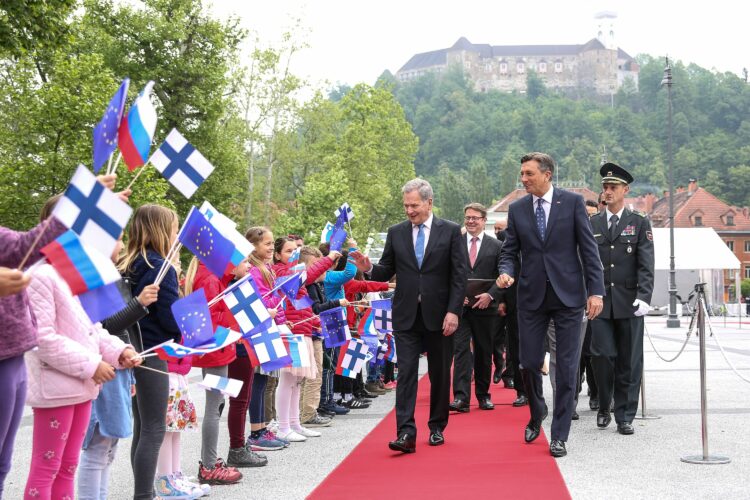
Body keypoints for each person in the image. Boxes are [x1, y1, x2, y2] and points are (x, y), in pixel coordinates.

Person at [23, 196, 140, 499]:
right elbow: (43, 339)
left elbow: (93, 329)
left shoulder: (73, 275)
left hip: (81, 388)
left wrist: (119, 352)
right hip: (57, 388)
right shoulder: (41, 275)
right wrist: (92, 365)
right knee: (46, 468)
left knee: (68, 467)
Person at [496, 152, 604, 458]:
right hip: (531, 297)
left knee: (567, 368)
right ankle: (537, 409)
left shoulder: (571, 204)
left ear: (547, 174)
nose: (524, 178)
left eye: (529, 173)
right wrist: (506, 272)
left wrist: (595, 292)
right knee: (528, 362)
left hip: (569, 296)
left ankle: (559, 434)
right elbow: (509, 250)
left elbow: (589, 249)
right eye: (522, 173)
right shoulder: (518, 209)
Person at [351, 178, 467, 453]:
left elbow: (459, 276)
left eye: (414, 205)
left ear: (429, 202)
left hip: (440, 316)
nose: (409, 211)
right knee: (406, 375)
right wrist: (369, 268)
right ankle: (405, 432)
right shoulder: (397, 232)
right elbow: (386, 270)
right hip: (405, 315)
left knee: (439, 374)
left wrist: (454, 311)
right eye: (405, 205)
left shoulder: (450, 232)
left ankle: (437, 426)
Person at [78, 235, 159, 500]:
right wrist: (139, 304)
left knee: (108, 449)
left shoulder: (110, 274)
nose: (123, 246)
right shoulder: (92, 277)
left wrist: (130, 369)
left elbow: (117, 330)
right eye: (118, 239)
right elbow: (106, 326)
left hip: (119, 364)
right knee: (97, 449)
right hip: (105, 366)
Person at [120, 204, 183, 499]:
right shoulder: (161, 266)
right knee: (154, 428)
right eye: (174, 228)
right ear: (161, 230)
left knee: (142, 427)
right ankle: (144, 495)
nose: (176, 234)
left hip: (130, 348)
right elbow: (170, 317)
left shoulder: (129, 262)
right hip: (153, 352)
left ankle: (143, 492)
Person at [589, 163, 654, 435]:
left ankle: (625, 415)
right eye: (605, 187)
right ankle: (605, 404)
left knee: (629, 360)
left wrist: (644, 296)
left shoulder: (638, 222)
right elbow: (584, 263)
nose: (607, 191)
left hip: (629, 302)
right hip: (600, 302)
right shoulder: (591, 223)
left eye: (613, 187)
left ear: (625, 190)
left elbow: (645, 263)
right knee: (602, 356)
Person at [450, 203, 503, 413]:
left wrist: (491, 295)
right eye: (467, 217)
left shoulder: (496, 246)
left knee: (484, 352)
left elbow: (503, 274)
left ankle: (483, 395)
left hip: (486, 308)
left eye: (475, 218)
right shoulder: (454, 244)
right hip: (460, 309)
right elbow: (447, 273)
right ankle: (461, 398)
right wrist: (456, 296)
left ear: (483, 220)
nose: (470, 221)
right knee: (461, 351)